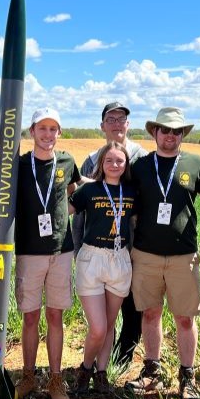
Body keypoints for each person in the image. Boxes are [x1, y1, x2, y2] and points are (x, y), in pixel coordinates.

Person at [0, 107, 80, 399]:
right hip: (28, 252)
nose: (48, 135)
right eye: (42, 128)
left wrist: (63, 217)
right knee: (30, 316)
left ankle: (55, 378)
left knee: (56, 315)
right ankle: (28, 375)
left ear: (60, 133)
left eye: (53, 129)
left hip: (61, 251)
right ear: (31, 132)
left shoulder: (66, 162)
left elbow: (72, 193)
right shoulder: (19, 165)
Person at [124, 107, 200, 399]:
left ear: (182, 134)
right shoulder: (139, 166)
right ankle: (153, 370)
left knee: (185, 318)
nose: (170, 135)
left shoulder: (195, 163)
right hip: (146, 254)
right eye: (165, 130)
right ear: (154, 132)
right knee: (150, 314)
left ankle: (187, 377)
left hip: (183, 256)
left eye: (176, 131)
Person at [72, 102, 147, 367]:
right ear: (102, 125)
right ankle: (98, 363)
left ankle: (123, 355)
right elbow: (80, 209)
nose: (116, 123)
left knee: (132, 304)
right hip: (96, 248)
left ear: (128, 124)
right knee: (101, 315)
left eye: (122, 118)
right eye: (110, 119)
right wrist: (78, 246)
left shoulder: (141, 158)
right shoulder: (92, 160)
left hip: (132, 246)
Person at [69, 142, 136, 395]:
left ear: (126, 165)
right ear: (101, 164)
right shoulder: (90, 190)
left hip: (120, 258)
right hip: (92, 259)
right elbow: (64, 210)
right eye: (109, 161)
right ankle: (85, 369)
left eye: (120, 161)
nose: (115, 165)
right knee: (97, 327)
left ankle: (102, 373)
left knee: (109, 325)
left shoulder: (131, 192)